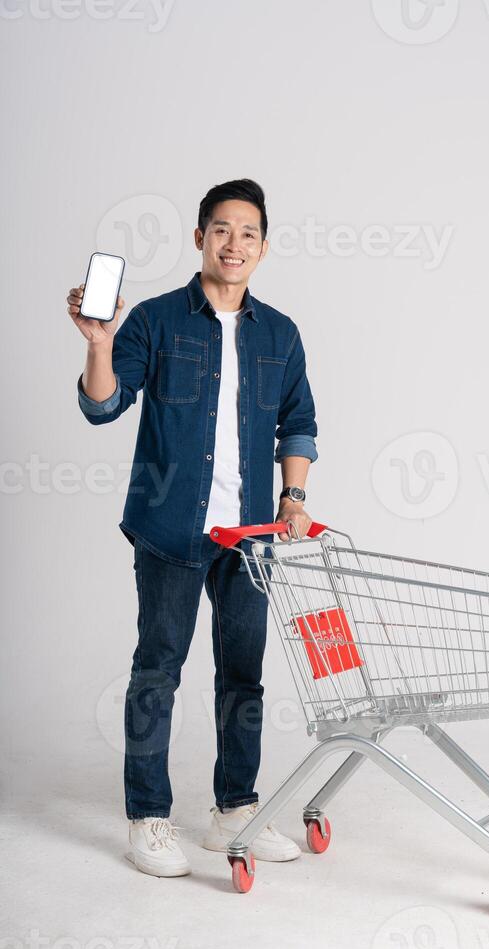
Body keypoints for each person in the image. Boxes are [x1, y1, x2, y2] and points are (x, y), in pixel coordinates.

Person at [67, 179, 318, 876]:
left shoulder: (281, 333)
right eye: (221, 230)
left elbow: (298, 421)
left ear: (263, 248)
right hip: (171, 528)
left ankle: (234, 809)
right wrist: (99, 341)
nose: (233, 244)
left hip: (251, 537)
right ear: (200, 238)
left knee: (244, 677)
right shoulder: (154, 320)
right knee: (158, 671)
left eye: (247, 234)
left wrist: (293, 495)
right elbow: (102, 405)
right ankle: (147, 818)